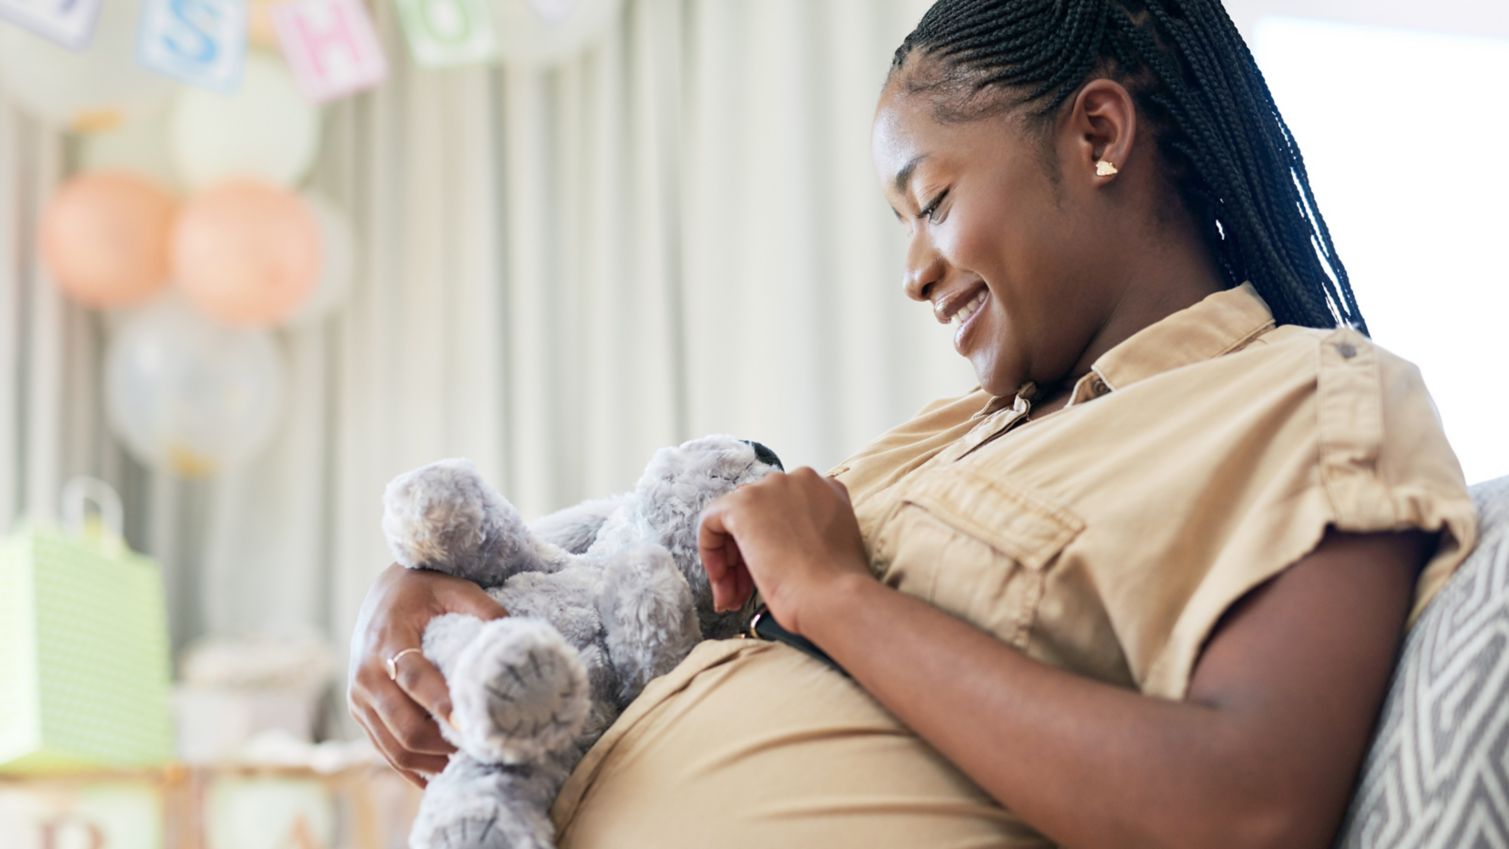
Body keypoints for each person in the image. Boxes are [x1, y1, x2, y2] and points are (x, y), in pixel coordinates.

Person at [347, 1, 1479, 846]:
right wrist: (417, 603)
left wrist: (841, 598)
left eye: (932, 200)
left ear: (1097, 134)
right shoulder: (948, 437)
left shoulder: (1309, 401)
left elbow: (1250, 807)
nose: (915, 273)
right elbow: (618, 597)